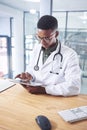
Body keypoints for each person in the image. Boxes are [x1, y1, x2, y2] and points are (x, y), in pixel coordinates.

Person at [15, 15, 81, 96]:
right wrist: (29, 76)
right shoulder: (36, 48)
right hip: (35, 96)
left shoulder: (70, 55)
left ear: (56, 34)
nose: (42, 42)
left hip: (56, 99)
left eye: (46, 38)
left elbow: (74, 86)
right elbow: (32, 70)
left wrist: (44, 89)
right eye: (39, 37)